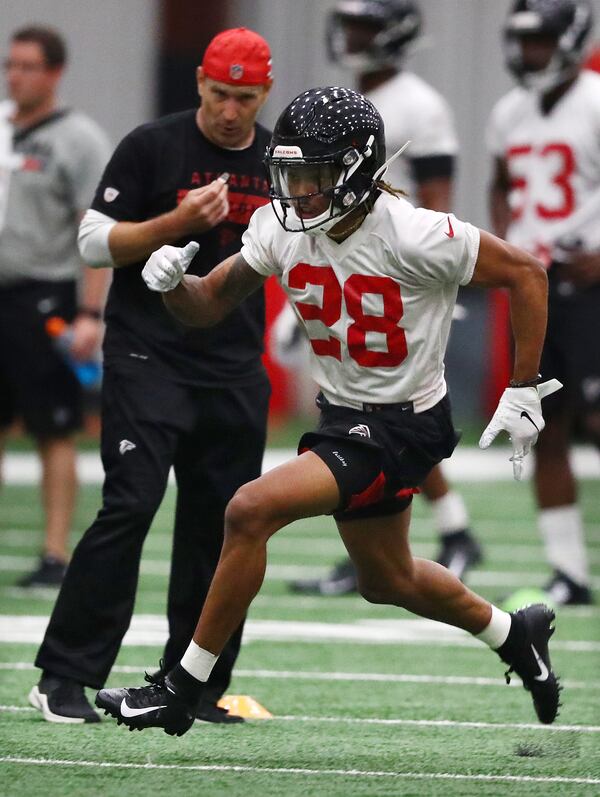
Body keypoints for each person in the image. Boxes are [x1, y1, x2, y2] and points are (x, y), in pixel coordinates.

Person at [95, 86, 562, 736]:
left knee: (248, 509)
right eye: (289, 173)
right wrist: (174, 285)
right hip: (345, 414)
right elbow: (207, 306)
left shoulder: (413, 231)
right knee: (388, 577)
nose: (297, 190)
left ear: (355, 170)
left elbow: (527, 272)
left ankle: (181, 686)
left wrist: (523, 383)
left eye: (313, 175)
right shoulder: (282, 230)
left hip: (403, 423)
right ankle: (515, 632)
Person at [30, 27, 274, 725]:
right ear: (199, 80)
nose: (230, 110)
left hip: (233, 365)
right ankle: (64, 674)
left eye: (245, 98)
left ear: (266, 92)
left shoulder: (278, 158)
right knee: (131, 503)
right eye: (220, 94)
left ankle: (192, 685)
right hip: (148, 355)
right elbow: (92, 241)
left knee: (223, 526)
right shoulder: (152, 145)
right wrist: (174, 221)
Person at [289, 0, 481, 597]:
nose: (354, 37)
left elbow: (435, 200)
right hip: (347, 269)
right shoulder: (352, 98)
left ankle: (438, 534)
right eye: (350, 25)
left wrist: (430, 277)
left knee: (392, 410)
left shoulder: (420, 105)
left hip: (396, 275)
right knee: (373, 411)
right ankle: (443, 533)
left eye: (365, 27)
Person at [488, 0, 598, 606]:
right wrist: (510, 249)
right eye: (523, 41)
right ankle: (570, 572)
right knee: (543, 424)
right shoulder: (510, 111)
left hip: (592, 280)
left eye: (541, 41)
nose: (529, 54)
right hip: (538, 285)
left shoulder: (596, 100)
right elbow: (500, 182)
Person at [0, 26, 111, 587]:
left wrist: (90, 313)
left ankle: (53, 552)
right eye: (10, 65)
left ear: (54, 72)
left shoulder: (79, 139)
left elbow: (94, 232)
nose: (15, 76)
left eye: (27, 66)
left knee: (53, 426)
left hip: (42, 293)